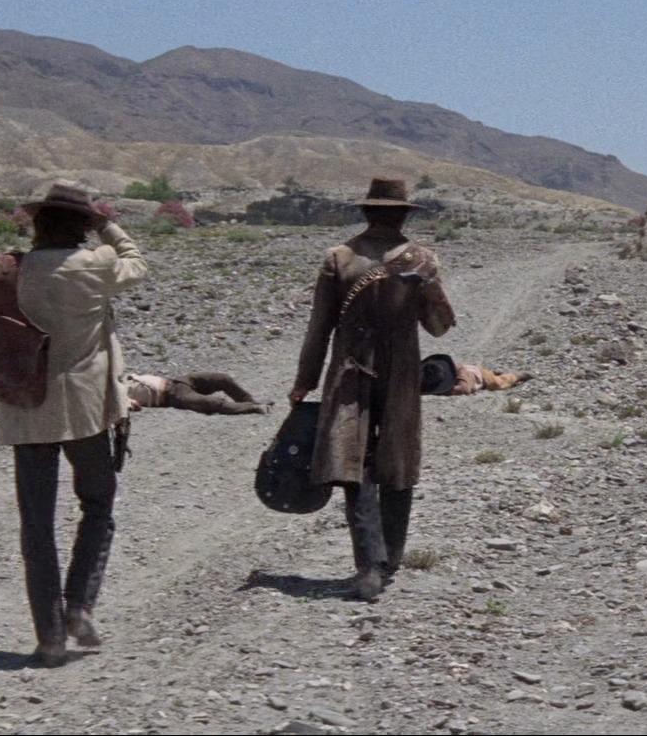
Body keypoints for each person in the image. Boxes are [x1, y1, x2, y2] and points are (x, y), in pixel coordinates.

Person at [0, 180, 146, 667]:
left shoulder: (11, 269)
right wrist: (108, 225)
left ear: (38, 223)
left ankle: (50, 638)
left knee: (36, 526)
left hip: (25, 406)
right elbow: (137, 263)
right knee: (98, 504)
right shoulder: (96, 263)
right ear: (82, 224)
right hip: (84, 409)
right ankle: (79, 604)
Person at [290, 178, 455, 601]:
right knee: (398, 459)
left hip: (349, 372)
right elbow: (439, 327)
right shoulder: (423, 259)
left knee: (353, 462)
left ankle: (369, 565)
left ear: (366, 213)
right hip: (401, 373)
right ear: (403, 216)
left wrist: (304, 382)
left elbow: (318, 329)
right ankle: (391, 557)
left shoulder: (339, 258)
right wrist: (428, 284)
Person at [124, 371, 271, 415]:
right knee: (214, 403)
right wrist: (129, 404)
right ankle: (254, 408)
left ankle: (251, 401)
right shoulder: (117, 398)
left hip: (178, 381)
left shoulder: (120, 380)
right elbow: (132, 406)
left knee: (222, 379)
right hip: (173, 397)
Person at [418, 354, 532, 397]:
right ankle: (495, 373)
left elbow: (465, 389)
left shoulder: (459, 386)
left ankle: (518, 376)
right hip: (472, 371)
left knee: (500, 383)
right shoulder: (430, 378)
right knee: (491, 376)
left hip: (481, 377)